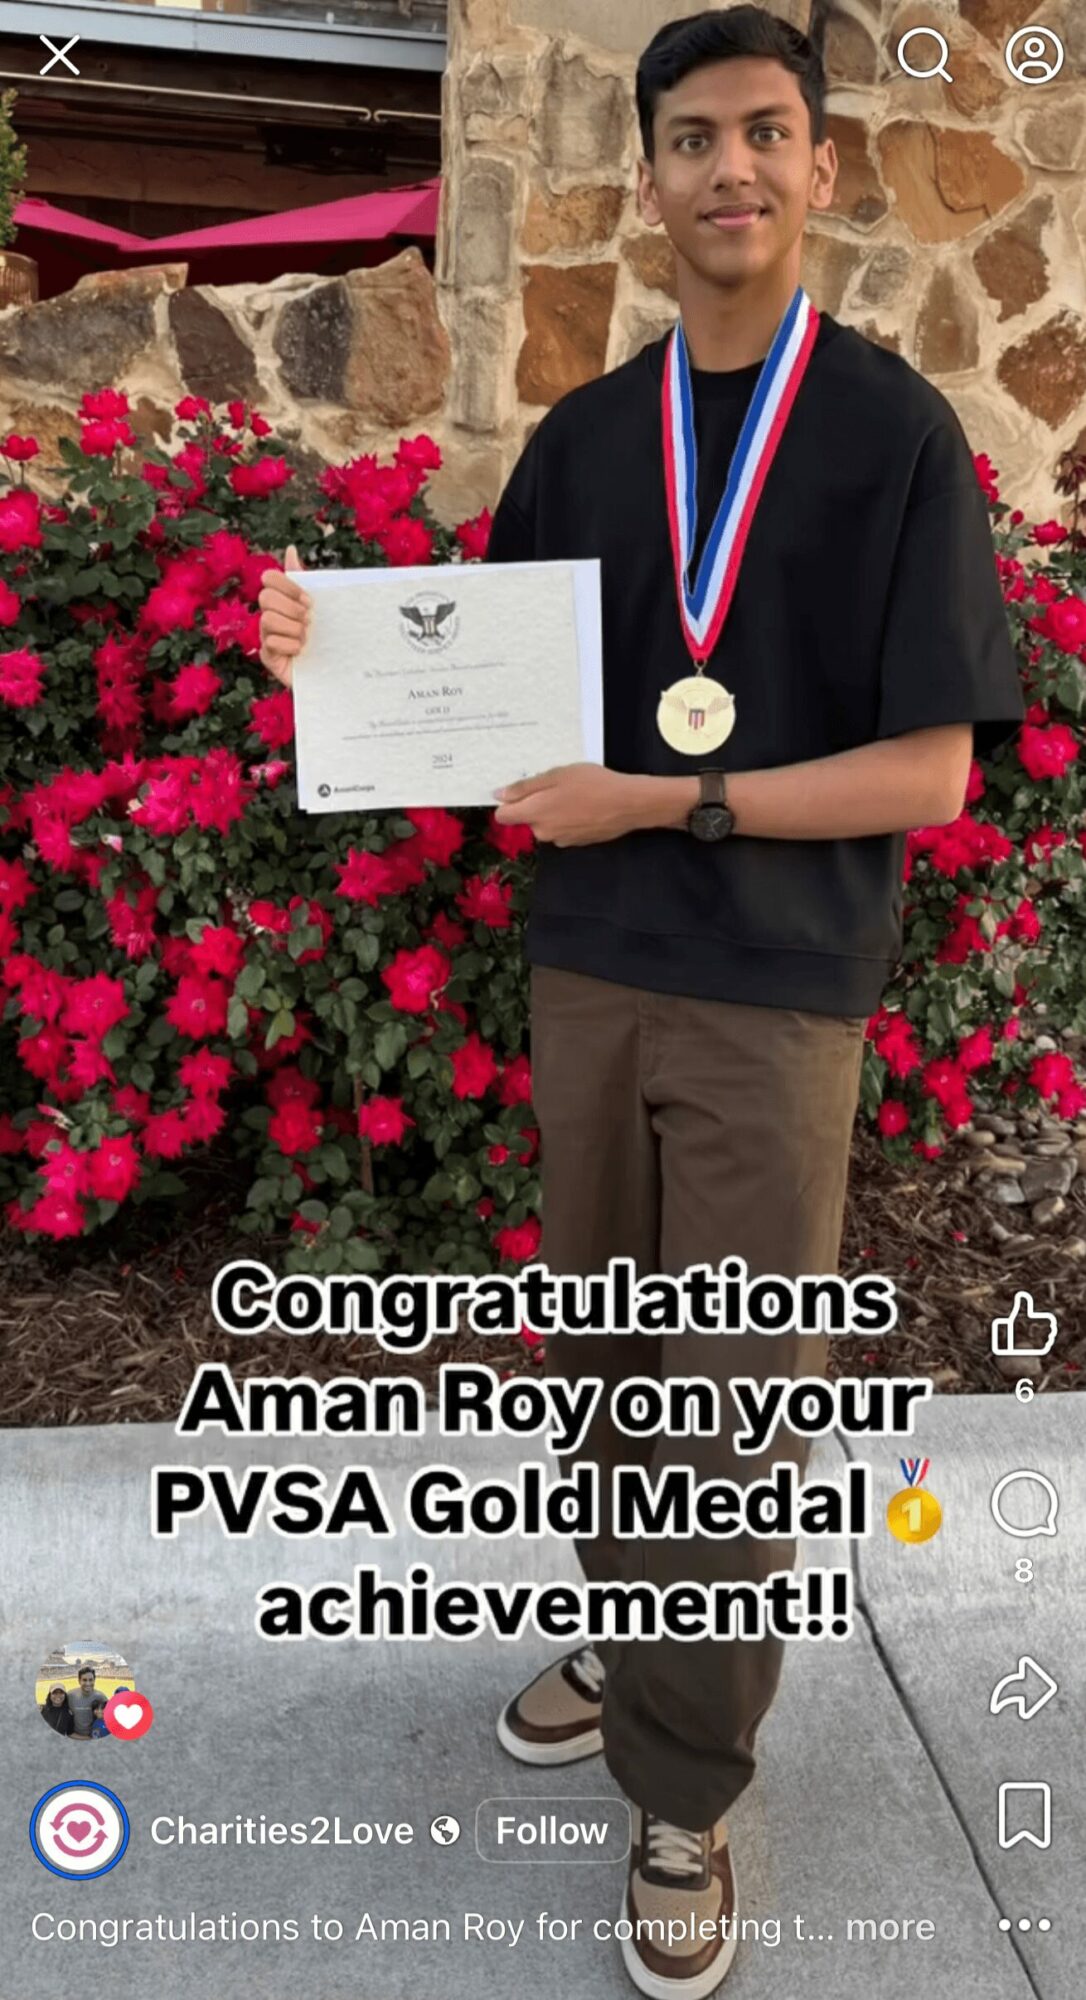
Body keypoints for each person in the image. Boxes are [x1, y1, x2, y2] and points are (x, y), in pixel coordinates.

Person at [259, 11, 1025, 1990]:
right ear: (652, 181)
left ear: (824, 170)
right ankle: (632, 1633)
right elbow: (478, 679)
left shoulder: (893, 436)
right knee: (607, 1359)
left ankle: (688, 1785)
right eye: (692, 142)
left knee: (732, 1403)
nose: (732, 172)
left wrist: (673, 792)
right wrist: (319, 656)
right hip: (596, 975)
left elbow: (932, 772)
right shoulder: (597, 440)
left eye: (768, 135)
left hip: (774, 996)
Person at [67, 1665, 104, 1740]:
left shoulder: (101, 1697)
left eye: (91, 1680)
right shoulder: (70, 1695)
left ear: (94, 1680)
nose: (88, 1683)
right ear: (79, 1681)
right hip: (75, 1736)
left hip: (95, 1736)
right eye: (84, 1680)